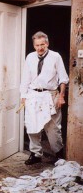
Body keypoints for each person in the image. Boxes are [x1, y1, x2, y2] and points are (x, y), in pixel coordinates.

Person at [20, 31, 69, 165]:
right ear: (34, 45)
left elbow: (63, 78)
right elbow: (25, 77)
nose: (40, 48)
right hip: (33, 95)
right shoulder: (30, 57)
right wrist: (23, 96)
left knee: (53, 127)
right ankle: (35, 154)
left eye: (42, 44)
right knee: (32, 126)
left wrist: (61, 97)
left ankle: (58, 154)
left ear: (47, 43)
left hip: (50, 95)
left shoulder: (55, 56)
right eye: (37, 45)